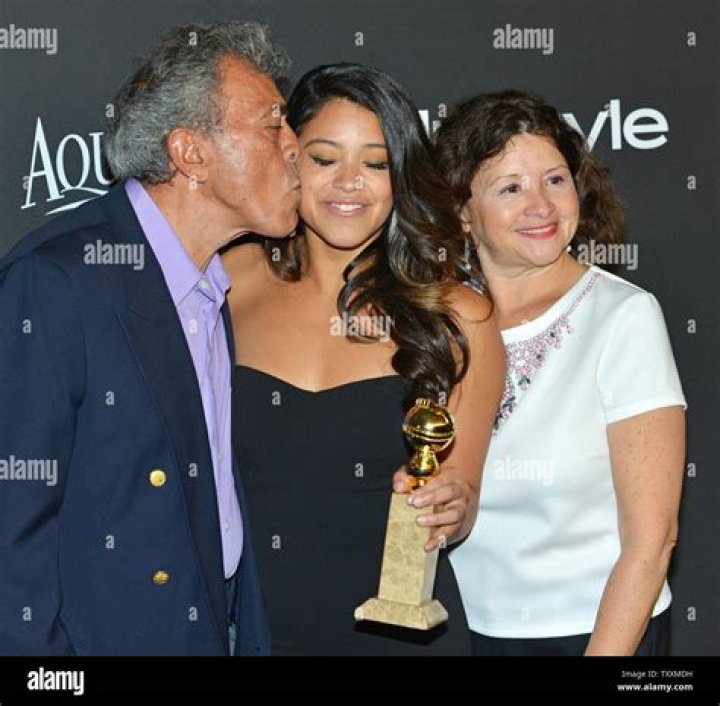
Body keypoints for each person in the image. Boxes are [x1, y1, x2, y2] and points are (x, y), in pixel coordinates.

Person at [0, 21, 300, 655]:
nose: (296, 147)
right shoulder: (57, 281)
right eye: (273, 125)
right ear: (191, 153)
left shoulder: (208, 286)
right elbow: (11, 531)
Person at [222, 63, 505, 655]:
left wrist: (452, 506)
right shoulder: (227, 280)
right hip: (249, 627)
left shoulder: (460, 317)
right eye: (325, 158)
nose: (349, 182)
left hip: (400, 633)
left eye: (376, 164)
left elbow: (462, 491)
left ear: (401, 175)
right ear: (288, 158)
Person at [433, 90, 687, 656]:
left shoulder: (624, 316)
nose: (541, 206)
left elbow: (652, 542)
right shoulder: (435, 325)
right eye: (511, 188)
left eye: (555, 180)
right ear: (462, 212)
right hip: (460, 633)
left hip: (601, 634)